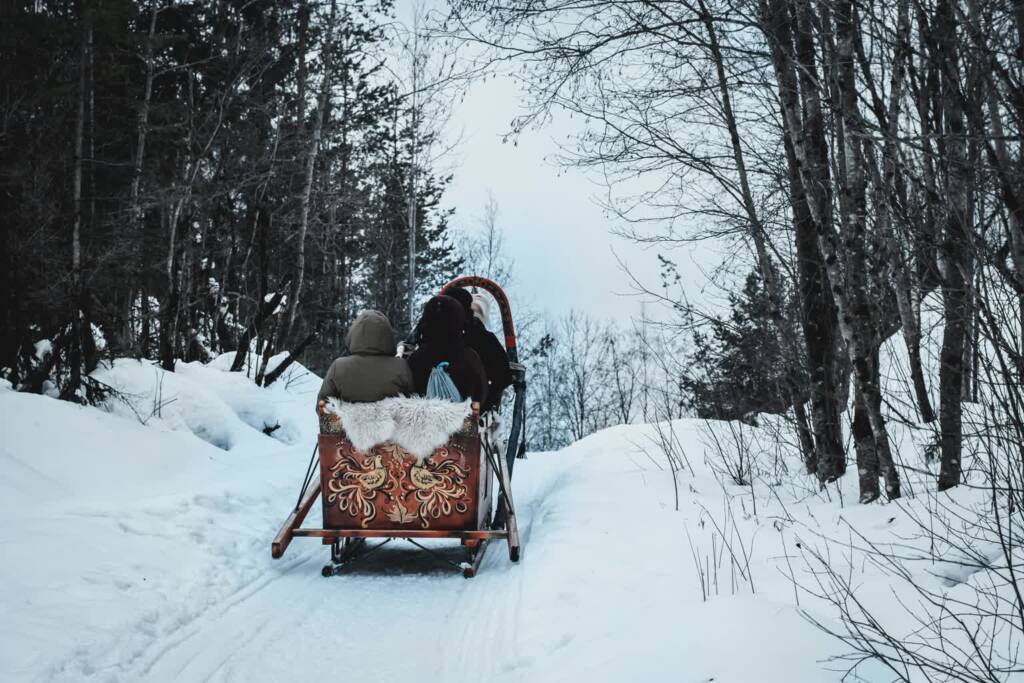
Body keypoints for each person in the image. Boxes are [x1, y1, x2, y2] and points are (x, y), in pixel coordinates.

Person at [317, 310, 413, 412]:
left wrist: (340, 426)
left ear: (354, 333)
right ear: (387, 335)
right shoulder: (401, 367)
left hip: (349, 427)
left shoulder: (339, 367)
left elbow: (323, 407)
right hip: (392, 427)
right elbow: (413, 408)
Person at [408, 295, 488, 404]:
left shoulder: (415, 358)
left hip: (423, 419)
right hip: (461, 419)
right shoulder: (469, 358)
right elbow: (479, 396)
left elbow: (409, 392)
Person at [446, 287, 513, 414]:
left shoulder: (427, 337)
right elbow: (504, 377)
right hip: (471, 412)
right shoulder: (484, 339)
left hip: (429, 413)